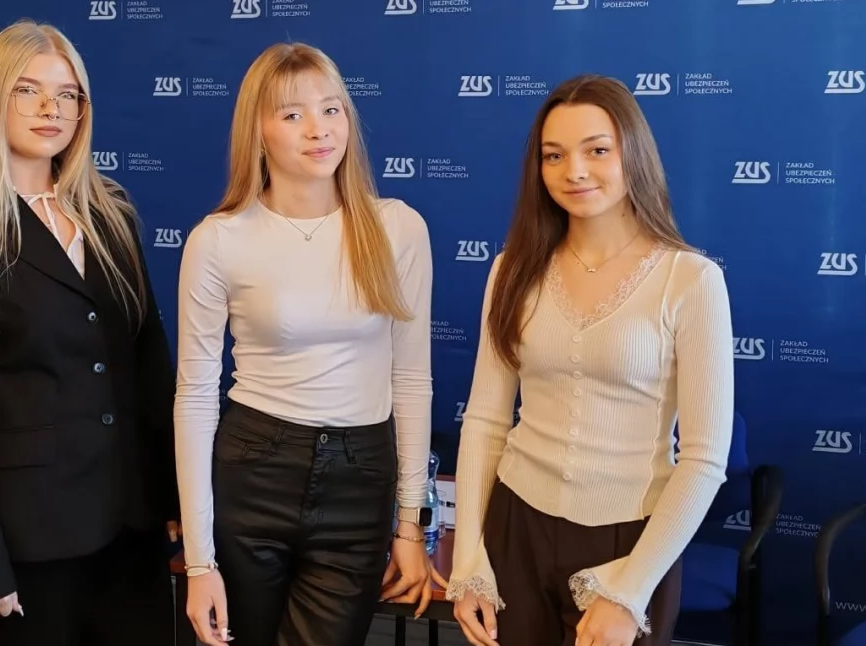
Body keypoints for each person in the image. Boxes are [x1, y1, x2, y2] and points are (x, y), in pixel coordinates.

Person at [0, 20, 180, 646]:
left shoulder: (111, 211)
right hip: (26, 535)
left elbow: (149, 366)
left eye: (67, 94)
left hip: (131, 523)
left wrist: (176, 500)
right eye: (28, 90)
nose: (51, 109)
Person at [446, 74, 734, 646]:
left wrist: (630, 591)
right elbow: (484, 421)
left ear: (634, 154)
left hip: (630, 540)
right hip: (516, 526)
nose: (574, 171)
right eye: (554, 155)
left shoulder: (690, 279)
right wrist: (468, 563)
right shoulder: (511, 269)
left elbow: (704, 459)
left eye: (597, 150)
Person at [174, 42, 446, 646]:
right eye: (293, 114)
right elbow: (194, 397)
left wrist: (410, 523)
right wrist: (199, 561)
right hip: (253, 473)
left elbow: (411, 379)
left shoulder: (398, 228)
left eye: (331, 109)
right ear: (258, 131)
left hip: (360, 482)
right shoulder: (218, 240)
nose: (319, 129)